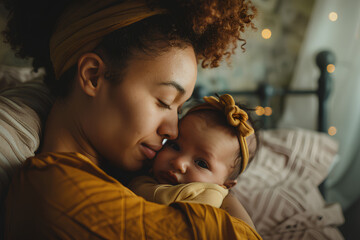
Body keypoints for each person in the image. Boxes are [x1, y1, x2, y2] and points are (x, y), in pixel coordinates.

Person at [2, 0, 262, 239]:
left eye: (179, 110)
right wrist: (221, 193)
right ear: (93, 76)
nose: (173, 131)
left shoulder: (136, 176)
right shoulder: (54, 188)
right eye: (164, 101)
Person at [129, 94, 258, 227]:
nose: (179, 163)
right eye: (174, 146)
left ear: (225, 185)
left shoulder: (208, 196)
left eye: (201, 163)